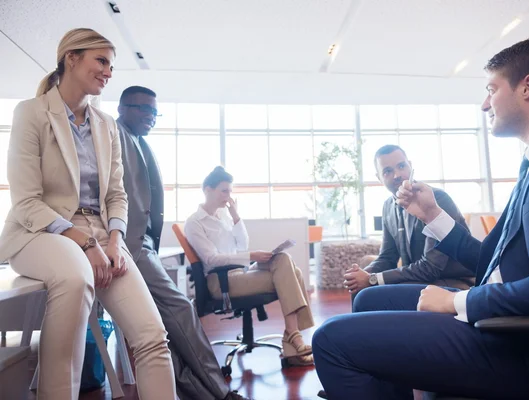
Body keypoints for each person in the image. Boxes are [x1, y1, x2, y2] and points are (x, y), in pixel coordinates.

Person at [312, 36, 529, 399]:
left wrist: (456, 302)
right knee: (369, 300)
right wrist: (432, 214)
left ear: (528, 86)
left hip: (520, 340)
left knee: (330, 340)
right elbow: (490, 262)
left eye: (491, 89)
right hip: (497, 311)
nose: (485, 104)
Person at [0, 29, 176, 399]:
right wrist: (87, 242)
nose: (108, 72)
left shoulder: (106, 125)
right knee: (77, 277)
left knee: (152, 336)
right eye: (101, 61)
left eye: (111, 65)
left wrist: (114, 240)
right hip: (40, 230)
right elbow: (27, 201)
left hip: (100, 232)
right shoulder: (31, 113)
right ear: (71, 58)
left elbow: (116, 194)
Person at [116, 86, 249, 400]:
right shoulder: (113, 135)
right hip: (129, 244)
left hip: (143, 244)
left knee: (159, 328)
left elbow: (240, 244)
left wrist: (237, 217)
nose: (151, 117)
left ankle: (205, 394)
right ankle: (221, 392)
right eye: (143, 109)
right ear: (123, 108)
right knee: (179, 311)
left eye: (154, 112)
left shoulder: (139, 142)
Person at [184, 166, 314, 366]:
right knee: (290, 274)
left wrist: (236, 216)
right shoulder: (194, 222)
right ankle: (293, 340)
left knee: (283, 260)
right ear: (207, 190)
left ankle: (293, 337)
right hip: (221, 282)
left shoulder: (224, 217)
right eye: (224, 191)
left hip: (239, 274)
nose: (228, 197)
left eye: (230, 191)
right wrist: (252, 256)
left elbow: (242, 244)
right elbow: (211, 259)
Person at [343, 144, 474, 299]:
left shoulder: (437, 200)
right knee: (359, 289)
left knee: (369, 296)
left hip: (454, 283)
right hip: (419, 279)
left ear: (410, 166)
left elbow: (431, 268)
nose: (397, 175)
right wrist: (362, 275)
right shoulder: (388, 207)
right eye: (388, 171)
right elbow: (387, 257)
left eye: (401, 166)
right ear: (379, 178)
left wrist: (372, 280)